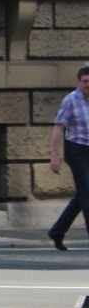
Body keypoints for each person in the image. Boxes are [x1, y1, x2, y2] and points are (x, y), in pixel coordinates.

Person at [47, 66, 89, 250]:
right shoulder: (71, 100)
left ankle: (57, 231)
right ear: (79, 82)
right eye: (85, 81)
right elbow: (58, 128)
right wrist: (55, 156)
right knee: (87, 193)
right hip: (77, 150)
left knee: (82, 195)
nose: (88, 85)